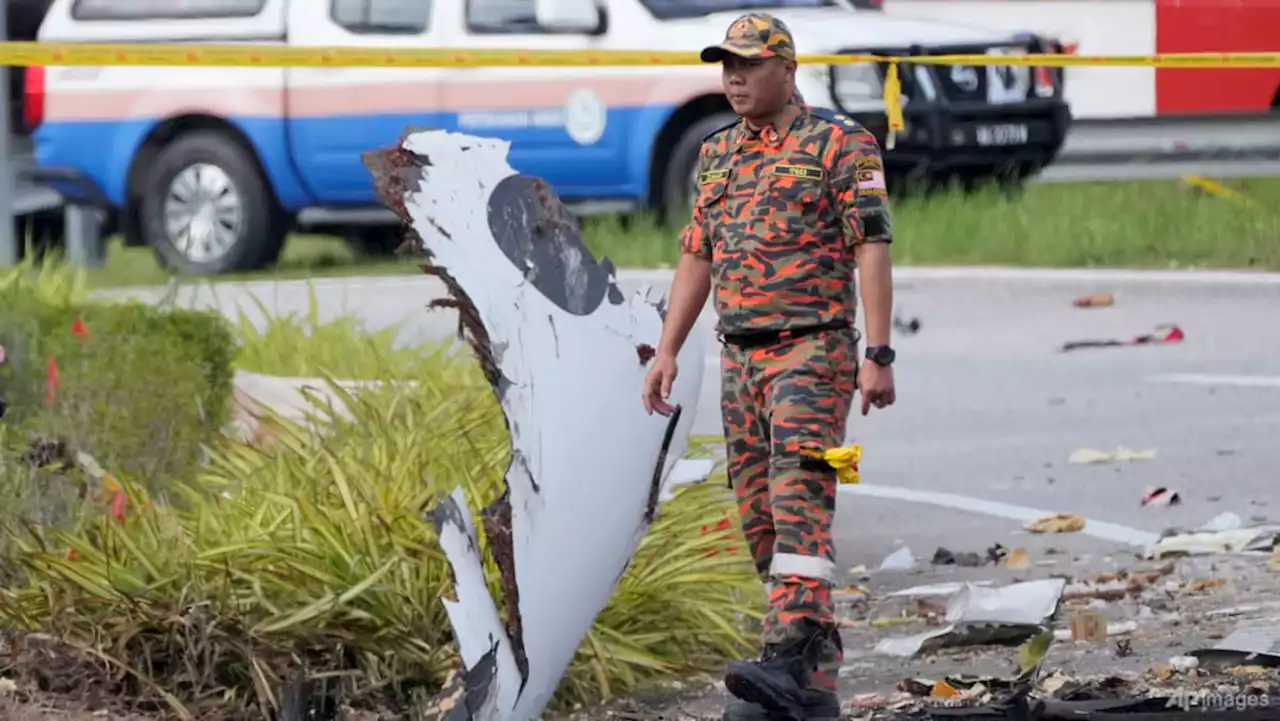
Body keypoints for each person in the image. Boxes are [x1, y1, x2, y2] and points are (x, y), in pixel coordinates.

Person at [640, 12, 898, 721]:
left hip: (813, 351)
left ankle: (785, 654)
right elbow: (698, 252)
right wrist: (667, 347)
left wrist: (878, 352)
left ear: (787, 69)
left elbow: (871, 245)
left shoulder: (840, 144)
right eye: (726, 64)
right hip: (741, 355)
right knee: (758, 514)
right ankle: (812, 677)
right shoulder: (719, 154)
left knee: (800, 500)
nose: (733, 77)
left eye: (748, 65)